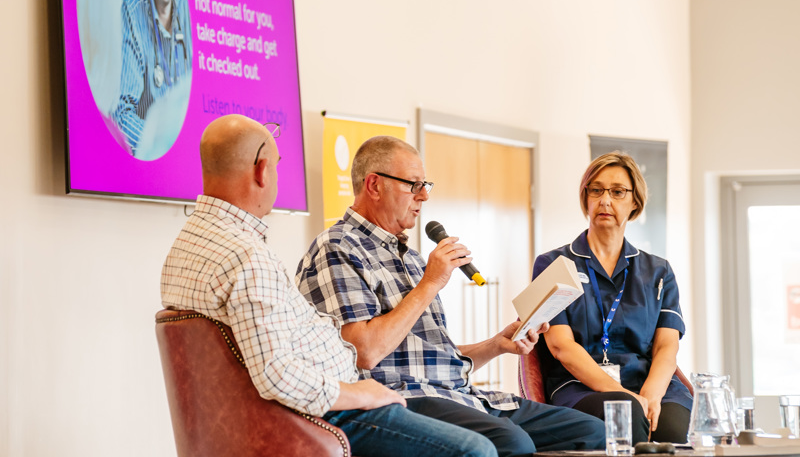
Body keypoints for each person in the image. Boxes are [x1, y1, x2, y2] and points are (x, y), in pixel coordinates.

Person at [160, 115, 496, 457]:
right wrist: (362, 394)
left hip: (302, 408)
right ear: (262, 171)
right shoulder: (247, 257)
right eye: (277, 167)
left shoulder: (185, 249)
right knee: (476, 450)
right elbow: (278, 374)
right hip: (330, 412)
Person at [296, 136, 606, 457]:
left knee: (595, 432)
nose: (424, 196)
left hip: (460, 396)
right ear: (374, 185)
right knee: (512, 443)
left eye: (425, 184)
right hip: (403, 399)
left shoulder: (412, 258)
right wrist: (430, 283)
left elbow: (429, 356)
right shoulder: (337, 248)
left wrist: (497, 345)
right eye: (413, 185)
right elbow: (364, 353)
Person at [532, 151, 692, 444]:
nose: (605, 200)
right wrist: (627, 396)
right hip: (581, 386)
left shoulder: (659, 270)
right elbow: (560, 346)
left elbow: (667, 346)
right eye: (596, 190)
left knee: (671, 430)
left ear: (634, 202)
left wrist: (650, 395)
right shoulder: (552, 264)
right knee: (626, 414)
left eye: (617, 192)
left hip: (649, 383)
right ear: (586, 198)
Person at [114, 0, 192, 156]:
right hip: (152, 165)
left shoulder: (189, 8)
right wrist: (164, 151)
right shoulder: (133, 6)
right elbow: (122, 114)